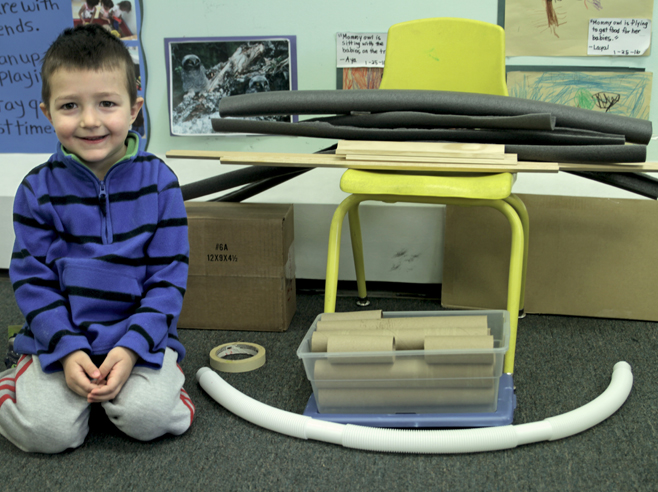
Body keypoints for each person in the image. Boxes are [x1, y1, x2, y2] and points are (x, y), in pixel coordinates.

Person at [0, 24, 194, 453]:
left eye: (107, 103)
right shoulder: (36, 191)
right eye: (70, 106)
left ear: (134, 108)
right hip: (61, 340)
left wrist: (131, 348)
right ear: (47, 112)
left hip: (138, 339)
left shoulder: (162, 185)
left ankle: (154, 385)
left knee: (150, 417)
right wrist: (66, 350)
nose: (89, 121)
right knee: (45, 433)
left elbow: (168, 280)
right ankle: (22, 373)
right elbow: (34, 283)